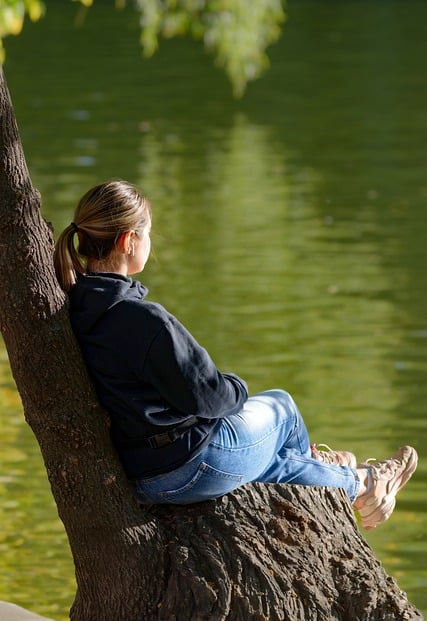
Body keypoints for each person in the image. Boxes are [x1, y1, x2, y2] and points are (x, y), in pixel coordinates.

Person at [53, 180, 418, 530]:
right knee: (282, 407)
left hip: (141, 476)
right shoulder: (142, 320)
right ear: (128, 240)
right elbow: (211, 398)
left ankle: (352, 478)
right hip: (191, 468)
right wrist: (237, 385)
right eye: (148, 232)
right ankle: (356, 477)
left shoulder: (75, 312)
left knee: (276, 465)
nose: (151, 240)